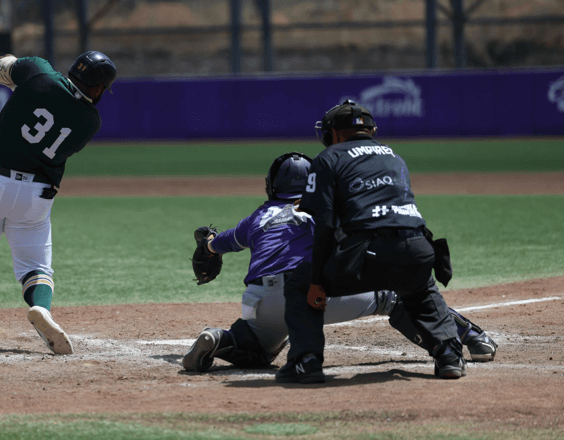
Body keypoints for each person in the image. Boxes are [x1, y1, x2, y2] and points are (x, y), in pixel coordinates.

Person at [182, 152, 497, 373]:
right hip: (309, 295)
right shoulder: (322, 207)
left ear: (272, 185)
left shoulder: (256, 218)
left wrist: (208, 245)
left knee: (257, 351)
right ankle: (471, 339)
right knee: (394, 295)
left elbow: (214, 244)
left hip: (259, 302)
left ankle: (219, 339)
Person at [273, 100, 467, 384]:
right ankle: (449, 353)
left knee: (299, 282)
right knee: (421, 288)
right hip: (418, 250)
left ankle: (306, 361)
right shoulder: (394, 157)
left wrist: (316, 281)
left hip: (367, 255)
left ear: (334, 134)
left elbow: (325, 226)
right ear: (372, 131)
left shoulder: (328, 158)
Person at [0, 50, 116, 355]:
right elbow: (53, 102)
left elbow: (1, 64)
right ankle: (41, 308)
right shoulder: (90, 121)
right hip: (35, 195)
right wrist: (18, 84)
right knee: (36, 267)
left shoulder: (38, 72)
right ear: (98, 89)